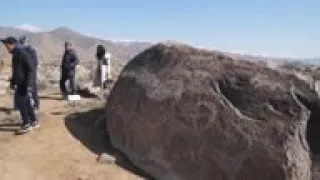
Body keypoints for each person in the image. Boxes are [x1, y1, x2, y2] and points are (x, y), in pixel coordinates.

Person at [0, 37, 39, 134]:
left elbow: (30, 69)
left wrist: (29, 84)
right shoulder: (16, 54)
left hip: (24, 84)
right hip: (21, 83)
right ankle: (34, 121)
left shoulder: (22, 53)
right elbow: (17, 71)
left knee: (20, 103)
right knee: (27, 103)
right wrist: (13, 82)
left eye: (7, 45)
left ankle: (26, 124)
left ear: (12, 44)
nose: (6, 48)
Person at [18, 35, 39, 109]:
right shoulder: (21, 51)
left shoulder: (31, 51)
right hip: (23, 74)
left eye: (22, 42)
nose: (21, 44)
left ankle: (35, 105)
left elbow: (34, 63)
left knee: (32, 89)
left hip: (31, 73)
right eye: (21, 43)